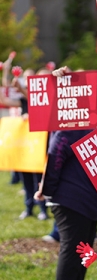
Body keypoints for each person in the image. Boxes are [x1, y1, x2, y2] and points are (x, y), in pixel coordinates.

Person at [34, 105, 97, 280]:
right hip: (71, 201)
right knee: (72, 253)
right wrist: (47, 189)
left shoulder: (93, 112)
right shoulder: (72, 117)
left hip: (87, 201)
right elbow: (56, 151)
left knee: (82, 253)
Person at [0, 67, 49, 220]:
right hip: (25, 146)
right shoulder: (23, 99)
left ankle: (42, 209)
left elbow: (35, 100)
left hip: (39, 146)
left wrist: (21, 88)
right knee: (25, 177)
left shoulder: (48, 98)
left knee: (39, 178)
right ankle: (28, 207)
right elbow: (6, 101)